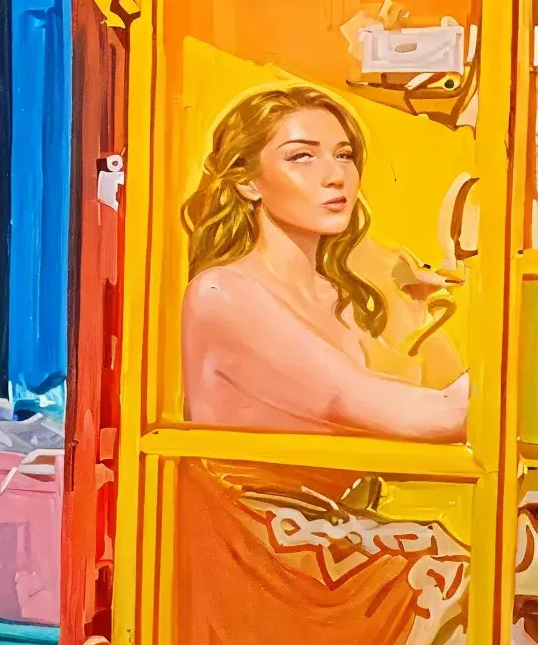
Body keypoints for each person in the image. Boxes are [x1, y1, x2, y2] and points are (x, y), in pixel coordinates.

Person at [178, 85, 470, 440]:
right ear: (246, 181)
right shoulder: (221, 294)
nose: (336, 176)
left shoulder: (337, 296)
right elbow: (430, 416)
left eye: (344, 155)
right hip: (253, 497)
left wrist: (419, 315)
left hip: (358, 494)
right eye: (302, 157)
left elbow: (432, 396)